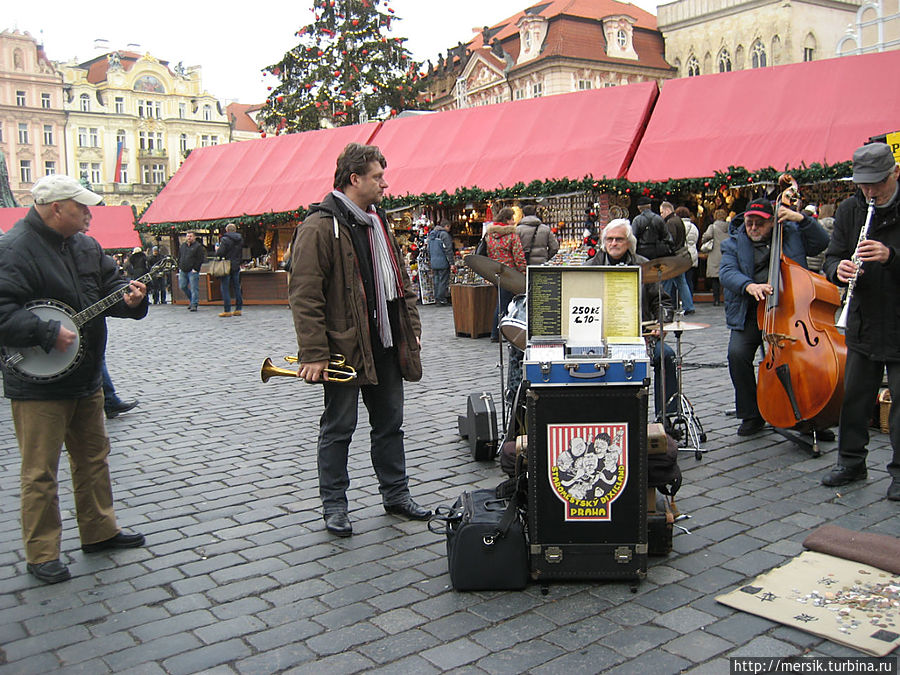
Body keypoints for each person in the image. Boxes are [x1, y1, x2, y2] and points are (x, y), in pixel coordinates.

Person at [0, 174, 147, 584]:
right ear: (55, 209)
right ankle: (42, 552)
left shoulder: (86, 246)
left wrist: (131, 298)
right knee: (40, 471)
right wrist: (45, 332)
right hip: (38, 384)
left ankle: (99, 530)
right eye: (80, 206)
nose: (89, 213)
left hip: (85, 375)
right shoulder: (12, 249)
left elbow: (110, 287)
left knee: (93, 459)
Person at [288, 142, 430, 537]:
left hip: (385, 343)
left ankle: (396, 494)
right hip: (344, 349)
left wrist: (411, 329)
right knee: (339, 428)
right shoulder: (319, 226)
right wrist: (314, 353)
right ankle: (335, 506)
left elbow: (401, 283)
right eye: (377, 177)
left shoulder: (377, 221)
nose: (385, 184)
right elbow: (305, 296)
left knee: (390, 424)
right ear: (355, 180)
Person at [820, 142, 900, 501]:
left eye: (876, 183)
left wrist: (890, 255)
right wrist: (839, 269)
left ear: (894, 173)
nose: (869, 191)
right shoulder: (852, 210)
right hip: (864, 319)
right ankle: (851, 461)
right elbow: (832, 256)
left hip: (898, 320)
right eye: (863, 184)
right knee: (854, 397)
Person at [719, 197, 829, 436]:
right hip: (750, 311)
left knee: (799, 360)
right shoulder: (734, 243)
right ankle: (751, 414)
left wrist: (802, 219)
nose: (754, 228)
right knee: (737, 354)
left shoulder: (790, 233)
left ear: (773, 222)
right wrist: (749, 286)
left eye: (760, 223)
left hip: (789, 311)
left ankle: (807, 415)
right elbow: (727, 272)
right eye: (750, 223)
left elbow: (822, 242)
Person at [584, 219, 677, 418]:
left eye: (619, 239)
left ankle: (667, 416)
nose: (614, 243)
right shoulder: (590, 267)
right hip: (600, 339)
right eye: (609, 239)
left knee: (666, 356)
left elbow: (663, 302)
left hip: (640, 337)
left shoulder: (645, 267)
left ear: (629, 243)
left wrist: (662, 323)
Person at [487, 207, 527, 342]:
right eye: (512, 219)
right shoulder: (511, 236)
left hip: (495, 272)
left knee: (501, 301)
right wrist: (523, 272)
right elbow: (519, 257)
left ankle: (497, 331)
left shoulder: (490, 235)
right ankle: (497, 332)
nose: (514, 222)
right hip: (510, 273)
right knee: (505, 304)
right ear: (507, 220)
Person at [660, 201, 694, 313]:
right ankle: (689, 306)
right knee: (681, 282)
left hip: (673, 257)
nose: (661, 215)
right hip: (681, 255)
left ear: (667, 210)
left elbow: (671, 241)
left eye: (661, 212)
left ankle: (666, 306)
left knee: (667, 283)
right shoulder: (678, 220)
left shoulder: (670, 223)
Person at [701, 209, 730, 305]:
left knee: (715, 279)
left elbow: (707, 236)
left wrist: (704, 238)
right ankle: (726, 299)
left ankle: (716, 299)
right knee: (726, 278)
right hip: (726, 254)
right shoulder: (729, 227)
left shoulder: (712, 227)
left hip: (715, 254)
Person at [215, 223, 244, 317]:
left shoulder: (225, 239)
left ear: (226, 230)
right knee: (237, 287)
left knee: (225, 287)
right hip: (236, 265)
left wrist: (217, 249)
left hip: (226, 265)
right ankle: (238, 309)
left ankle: (227, 310)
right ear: (235, 230)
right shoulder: (240, 239)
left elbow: (220, 253)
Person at [426, 220, 454, 305]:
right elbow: (448, 249)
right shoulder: (444, 235)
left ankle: (437, 298)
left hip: (434, 261)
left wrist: (431, 259)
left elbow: (428, 249)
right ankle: (442, 298)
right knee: (443, 280)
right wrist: (452, 263)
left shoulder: (432, 234)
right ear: (446, 226)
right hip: (443, 261)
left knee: (436, 280)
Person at [677, 206, 700, 305]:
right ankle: (690, 298)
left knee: (682, 280)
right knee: (689, 278)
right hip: (693, 253)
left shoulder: (678, 225)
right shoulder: (694, 227)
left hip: (683, 254)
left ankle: (684, 301)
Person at [177, 231, 205, 311]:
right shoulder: (183, 246)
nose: (189, 238)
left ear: (194, 237)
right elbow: (179, 256)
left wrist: (196, 269)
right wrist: (179, 266)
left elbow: (200, 258)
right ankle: (192, 300)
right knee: (182, 286)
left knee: (194, 288)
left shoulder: (198, 246)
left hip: (192, 271)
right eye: (187, 236)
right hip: (183, 270)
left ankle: (194, 304)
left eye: (190, 236)